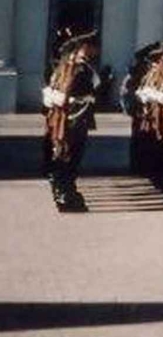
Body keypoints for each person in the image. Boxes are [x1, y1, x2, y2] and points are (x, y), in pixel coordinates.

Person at [43, 33, 100, 212]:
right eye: (89, 47)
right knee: (70, 155)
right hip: (74, 119)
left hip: (66, 117)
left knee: (63, 153)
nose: (93, 51)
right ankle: (65, 193)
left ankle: (62, 190)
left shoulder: (66, 68)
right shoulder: (80, 69)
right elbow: (88, 91)